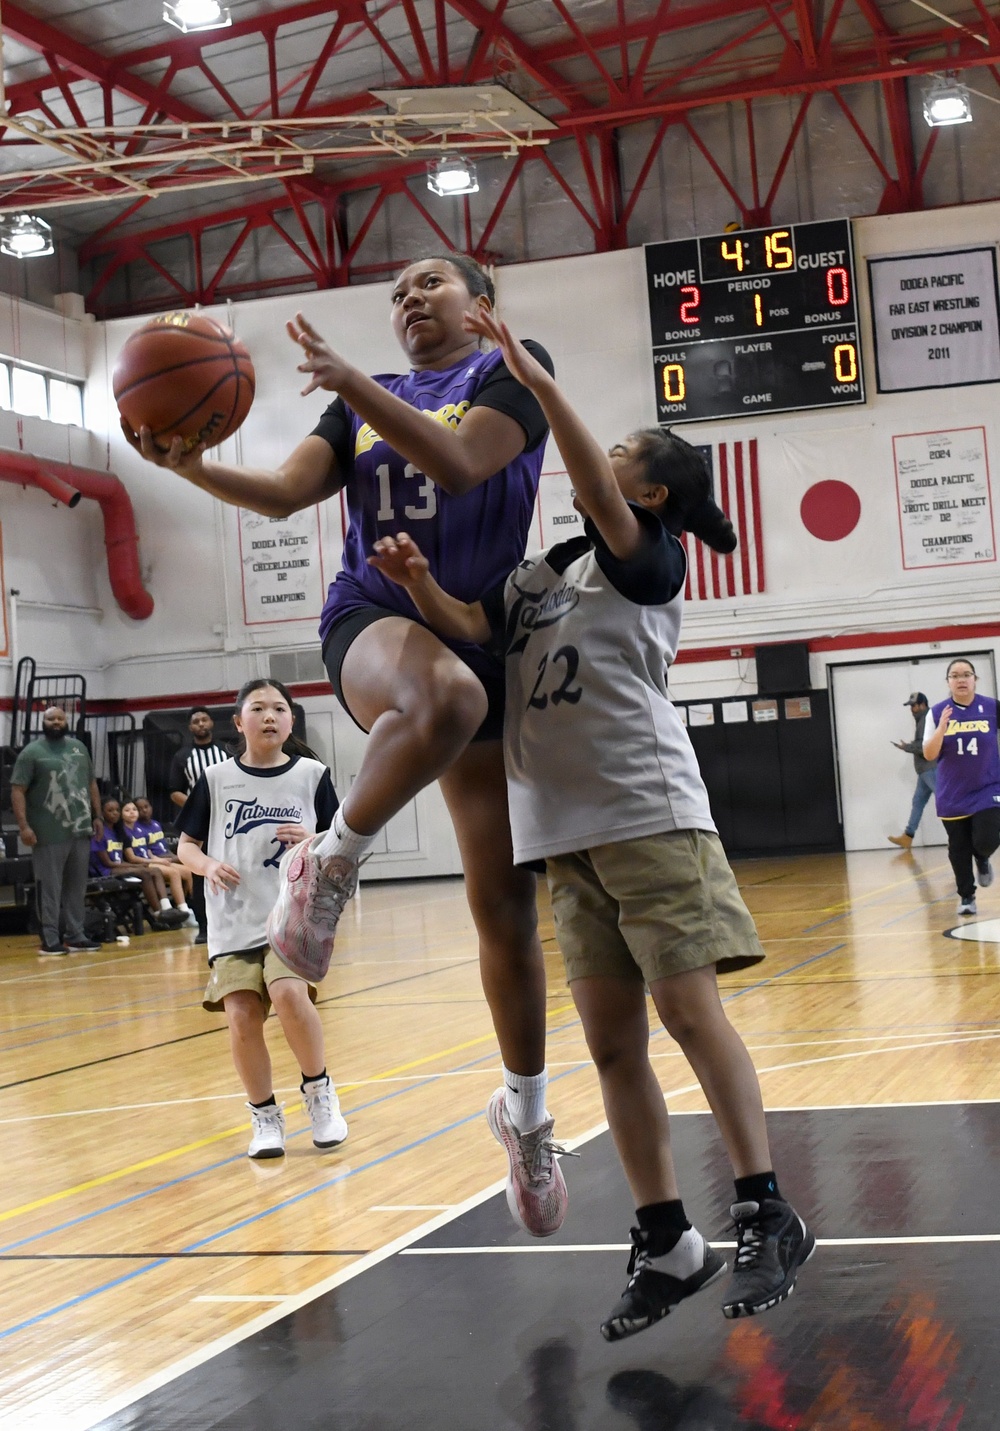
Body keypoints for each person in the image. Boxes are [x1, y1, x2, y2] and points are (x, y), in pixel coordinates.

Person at [370, 308, 815, 1338]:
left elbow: (586, 468)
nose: (601, 462)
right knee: (613, 1047)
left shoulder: (642, 554)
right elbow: (480, 632)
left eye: (621, 457)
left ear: (649, 491)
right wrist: (421, 584)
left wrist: (538, 383)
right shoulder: (542, 573)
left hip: (647, 814)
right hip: (557, 835)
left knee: (688, 1015)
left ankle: (763, 1206)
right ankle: (667, 1239)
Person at [127, 254, 568, 1236]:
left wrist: (352, 381)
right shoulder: (359, 406)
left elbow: (462, 464)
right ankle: (328, 869)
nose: (409, 300)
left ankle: (527, 1117)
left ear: (480, 305)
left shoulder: (512, 369)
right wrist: (188, 465)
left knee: (504, 907)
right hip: (375, 619)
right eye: (397, 293)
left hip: (484, 625)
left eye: (427, 284)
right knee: (442, 698)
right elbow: (286, 494)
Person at [176, 679, 347, 1160]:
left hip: (290, 913)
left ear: (291, 719)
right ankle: (264, 1116)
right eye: (258, 708)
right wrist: (207, 864)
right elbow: (185, 846)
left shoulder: (312, 775)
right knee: (241, 1016)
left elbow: (343, 839)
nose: (269, 715)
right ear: (239, 722)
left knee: (289, 994)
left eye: (279, 708)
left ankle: (320, 1095)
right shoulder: (215, 780)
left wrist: (314, 837)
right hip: (232, 918)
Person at [10, 705, 102, 956]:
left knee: (77, 886)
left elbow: (91, 782)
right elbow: (17, 790)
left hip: (80, 829)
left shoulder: (79, 748)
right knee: (49, 887)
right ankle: (49, 938)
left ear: (67, 721)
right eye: (51, 718)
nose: (56, 722)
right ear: (43, 722)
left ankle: (76, 935)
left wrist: (98, 816)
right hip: (48, 833)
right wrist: (24, 826)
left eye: (60, 718)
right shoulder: (32, 753)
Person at [922, 658, 1000, 917]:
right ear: (948, 682)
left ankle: (982, 856)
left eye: (966, 674)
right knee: (958, 848)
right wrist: (942, 729)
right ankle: (967, 896)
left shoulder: (991, 707)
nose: (961, 679)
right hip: (953, 792)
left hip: (988, 786)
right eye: (955, 675)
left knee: (987, 838)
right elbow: (929, 755)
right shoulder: (937, 712)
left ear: (975, 679)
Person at [169, 707, 230, 945]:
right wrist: (200, 806)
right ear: (190, 727)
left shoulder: (225, 751)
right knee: (199, 874)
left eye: (204, 719)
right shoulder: (182, 756)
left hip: (227, 817)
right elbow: (173, 791)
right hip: (201, 821)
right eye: (196, 721)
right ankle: (204, 927)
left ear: (211, 722)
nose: (201, 724)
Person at [94, 798, 187, 930]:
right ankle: (158, 914)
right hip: (106, 870)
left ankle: (166, 908)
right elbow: (108, 863)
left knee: (154, 871)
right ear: (102, 813)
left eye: (116, 810)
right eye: (110, 811)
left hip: (121, 866)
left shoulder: (119, 831)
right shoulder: (100, 832)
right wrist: (135, 866)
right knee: (144, 872)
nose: (115, 813)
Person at [121, 798, 195, 923]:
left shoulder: (143, 827)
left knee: (188, 871)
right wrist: (158, 860)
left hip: (151, 860)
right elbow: (132, 858)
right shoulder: (124, 831)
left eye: (134, 809)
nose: (133, 812)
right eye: (128, 810)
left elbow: (148, 850)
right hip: (142, 864)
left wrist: (156, 859)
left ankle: (192, 905)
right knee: (174, 873)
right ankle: (182, 909)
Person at [888, 692, 937, 849]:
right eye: (910, 706)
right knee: (918, 802)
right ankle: (908, 836)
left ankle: (962, 833)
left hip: (931, 768)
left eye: (914, 706)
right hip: (924, 771)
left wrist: (906, 747)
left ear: (923, 705)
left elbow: (924, 746)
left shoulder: (926, 720)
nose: (912, 709)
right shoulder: (922, 720)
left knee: (946, 800)